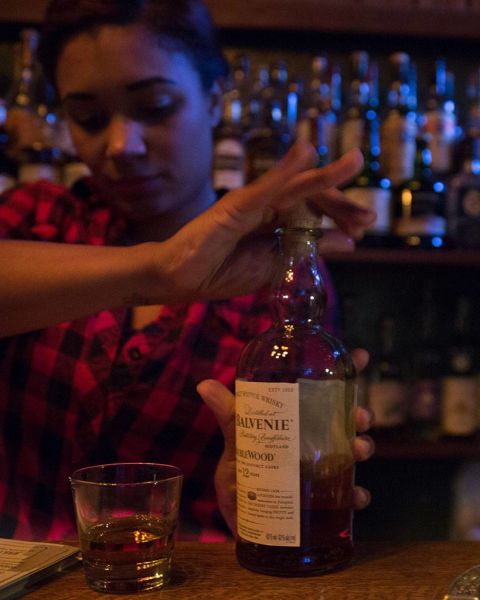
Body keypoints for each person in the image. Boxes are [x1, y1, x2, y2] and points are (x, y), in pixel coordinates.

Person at [0, 0, 375, 541]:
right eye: (87, 118)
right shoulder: (34, 219)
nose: (120, 145)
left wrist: (260, 504)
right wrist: (160, 269)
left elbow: (288, 481)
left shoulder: (275, 273)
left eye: (154, 107)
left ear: (216, 96)